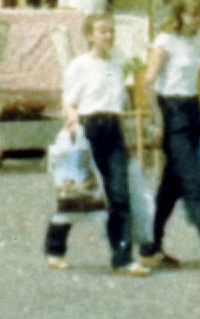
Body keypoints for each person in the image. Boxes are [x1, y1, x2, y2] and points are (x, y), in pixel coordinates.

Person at [138, 0, 200, 273]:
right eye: (193, 14)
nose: (197, 20)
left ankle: (149, 245)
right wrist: (158, 119)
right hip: (172, 109)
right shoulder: (165, 41)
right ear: (180, 13)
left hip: (192, 107)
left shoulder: (194, 40)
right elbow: (148, 81)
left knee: (171, 187)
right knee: (194, 182)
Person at [46, 15, 140, 273]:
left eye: (111, 31)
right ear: (89, 35)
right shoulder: (80, 65)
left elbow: (122, 101)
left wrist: (128, 134)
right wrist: (75, 123)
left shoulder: (119, 61)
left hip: (114, 128)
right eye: (102, 32)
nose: (108, 36)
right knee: (78, 193)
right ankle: (55, 248)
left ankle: (122, 257)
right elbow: (68, 101)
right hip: (89, 127)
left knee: (120, 194)